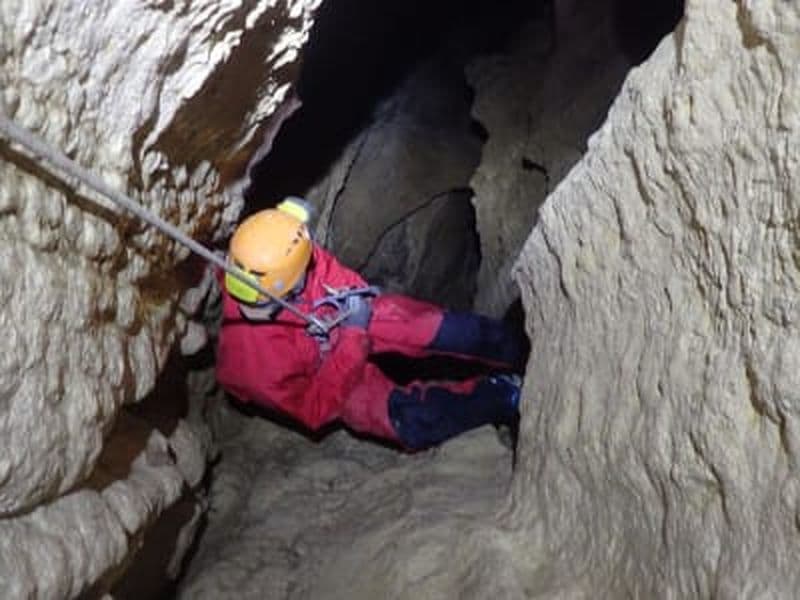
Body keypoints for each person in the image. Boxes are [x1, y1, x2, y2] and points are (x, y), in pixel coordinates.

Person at [215, 197, 526, 450]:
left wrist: (353, 295)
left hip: (336, 313)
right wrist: (353, 337)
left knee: (438, 329)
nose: (310, 263)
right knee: (412, 422)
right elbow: (314, 408)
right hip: (328, 376)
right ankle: (503, 394)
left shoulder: (273, 254)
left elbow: (323, 270)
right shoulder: (257, 369)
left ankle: (520, 345)